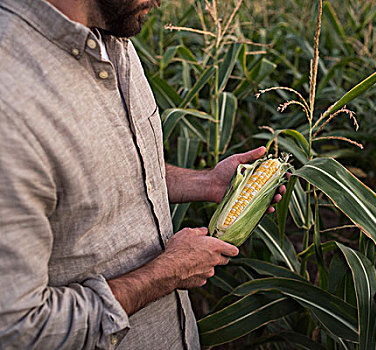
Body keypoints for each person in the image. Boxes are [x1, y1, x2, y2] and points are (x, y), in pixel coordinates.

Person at [0, 0, 285, 349]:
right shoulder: (10, 103)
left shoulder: (114, 33)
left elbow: (117, 174)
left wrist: (206, 182)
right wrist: (165, 274)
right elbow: (19, 329)